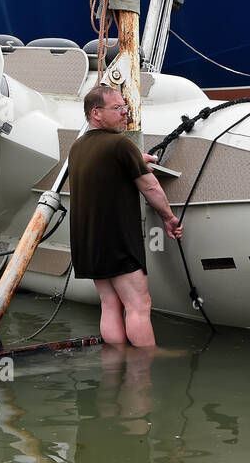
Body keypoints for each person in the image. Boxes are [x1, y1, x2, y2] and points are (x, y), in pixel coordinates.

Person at [68, 86, 182, 346]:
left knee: (110, 304)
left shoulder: (78, 148)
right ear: (96, 113)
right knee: (139, 305)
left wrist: (134, 158)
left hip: (88, 244)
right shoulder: (120, 144)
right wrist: (169, 218)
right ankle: (142, 372)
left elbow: (105, 166)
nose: (125, 113)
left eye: (125, 107)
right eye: (118, 108)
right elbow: (151, 187)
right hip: (117, 242)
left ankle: (115, 364)